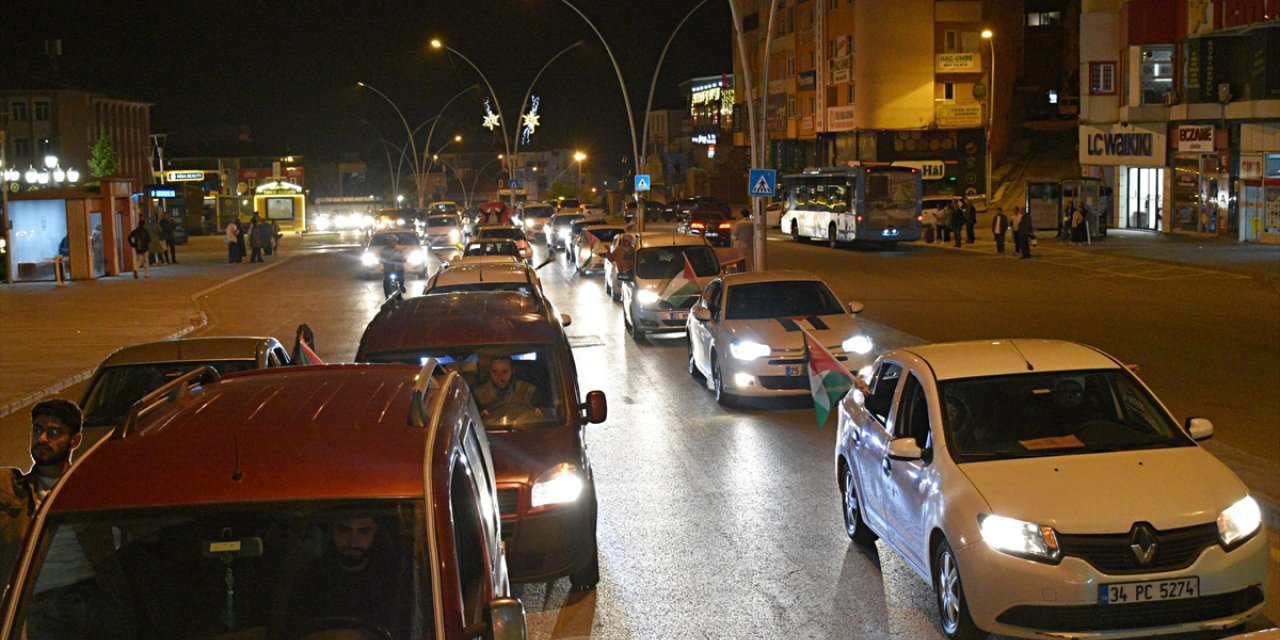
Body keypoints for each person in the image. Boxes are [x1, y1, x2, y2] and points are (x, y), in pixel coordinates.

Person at [1, 399, 134, 636]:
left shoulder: (88, 489)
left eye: (53, 432)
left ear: (75, 440)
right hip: (37, 600)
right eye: (38, 430)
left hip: (91, 596)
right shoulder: (12, 488)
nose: (42, 439)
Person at [287, 514, 404, 638]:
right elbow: (293, 627)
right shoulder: (309, 578)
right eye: (344, 530)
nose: (353, 541)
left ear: (376, 533)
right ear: (332, 530)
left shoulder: (393, 580)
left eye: (364, 532)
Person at [473, 355, 540, 419]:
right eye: (494, 372)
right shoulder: (478, 395)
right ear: (489, 371)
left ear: (513, 370)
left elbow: (542, 414)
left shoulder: (528, 391)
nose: (499, 377)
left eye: (504, 372)